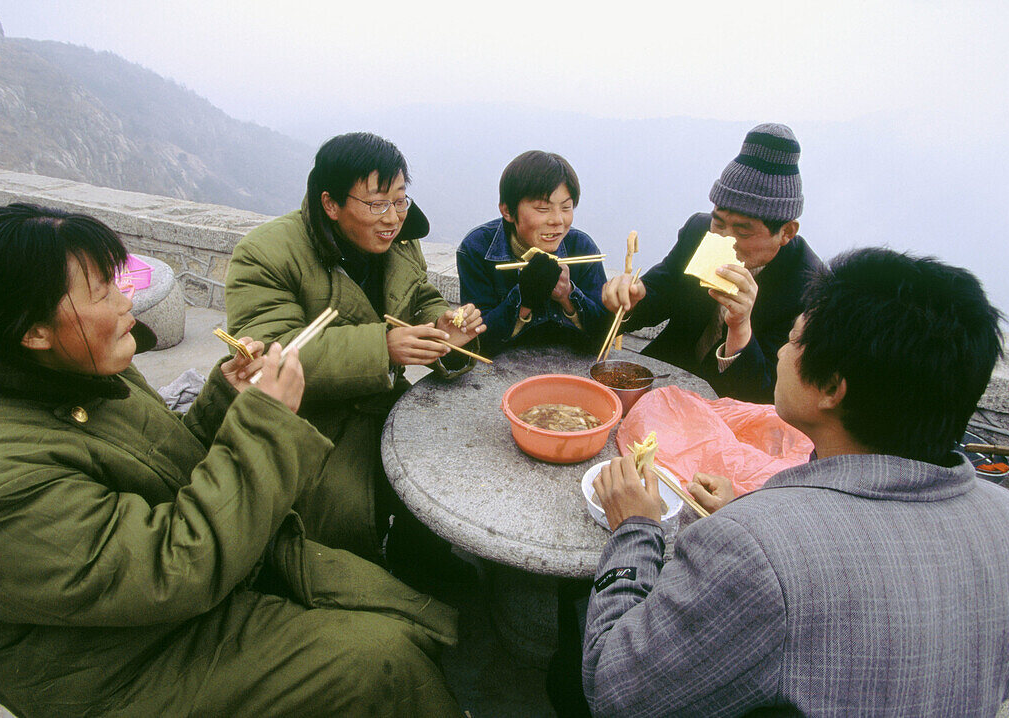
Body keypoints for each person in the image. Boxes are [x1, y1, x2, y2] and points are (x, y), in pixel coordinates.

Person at [0, 204, 461, 717]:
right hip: (120, 665)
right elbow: (172, 569)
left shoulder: (76, 372)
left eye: (119, 279)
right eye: (103, 291)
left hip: (182, 597)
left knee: (399, 606)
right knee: (381, 661)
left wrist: (227, 398)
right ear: (33, 331)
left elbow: (161, 462)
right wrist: (267, 423)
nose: (126, 301)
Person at [584, 248, 1009, 716]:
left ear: (831, 388)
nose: (784, 353)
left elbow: (616, 690)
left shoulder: (753, 548)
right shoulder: (1006, 521)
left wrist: (633, 530)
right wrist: (753, 510)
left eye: (792, 340)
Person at [225, 131, 483, 570]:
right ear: (331, 204)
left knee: (451, 453)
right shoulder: (266, 253)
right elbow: (270, 354)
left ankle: (418, 553)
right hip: (312, 420)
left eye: (400, 200)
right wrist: (381, 348)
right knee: (341, 519)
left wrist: (444, 324)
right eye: (377, 203)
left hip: (382, 400)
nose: (393, 217)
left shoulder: (399, 239)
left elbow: (418, 294)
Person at [602, 123, 823, 403]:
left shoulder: (808, 289)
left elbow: (769, 395)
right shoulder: (699, 231)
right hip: (664, 380)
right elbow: (662, 289)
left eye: (743, 231)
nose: (726, 240)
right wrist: (632, 297)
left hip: (730, 409)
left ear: (786, 232)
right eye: (719, 223)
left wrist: (740, 327)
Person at [457, 150, 609, 356]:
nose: (558, 220)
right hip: (500, 371)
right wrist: (524, 300)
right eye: (543, 209)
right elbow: (478, 344)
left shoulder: (582, 248)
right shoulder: (477, 248)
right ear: (507, 211)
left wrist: (567, 296)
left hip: (567, 370)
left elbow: (602, 341)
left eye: (566, 207)